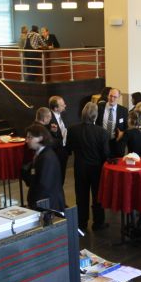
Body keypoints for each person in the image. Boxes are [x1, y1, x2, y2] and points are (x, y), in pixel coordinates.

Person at [66, 102, 110, 232]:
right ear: (95, 116)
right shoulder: (102, 132)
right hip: (97, 169)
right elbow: (106, 154)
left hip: (80, 168)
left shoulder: (72, 130)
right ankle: (98, 223)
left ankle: (82, 223)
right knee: (97, 196)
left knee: (81, 196)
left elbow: (69, 149)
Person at [23, 124, 66, 212]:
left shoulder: (47, 158)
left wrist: (33, 206)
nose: (26, 140)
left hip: (49, 206)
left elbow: (44, 187)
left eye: (30, 137)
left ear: (40, 138)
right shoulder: (40, 154)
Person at [96, 88, 129, 158]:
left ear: (118, 98)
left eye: (115, 97)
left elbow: (127, 127)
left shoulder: (123, 110)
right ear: (107, 96)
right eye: (110, 96)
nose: (112, 99)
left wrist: (123, 133)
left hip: (117, 143)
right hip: (101, 142)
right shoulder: (99, 108)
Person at [48, 96, 69, 184]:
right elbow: (49, 138)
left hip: (64, 150)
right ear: (56, 108)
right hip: (56, 152)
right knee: (56, 177)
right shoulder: (49, 119)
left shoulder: (62, 114)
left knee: (62, 175)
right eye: (62, 105)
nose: (65, 105)